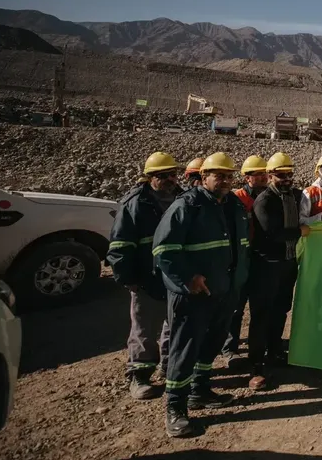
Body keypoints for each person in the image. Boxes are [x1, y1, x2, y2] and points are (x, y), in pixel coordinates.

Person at [154, 152, 250, 438]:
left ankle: (200, 390)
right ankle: (176, 407)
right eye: (218, 175)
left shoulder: (232, 204)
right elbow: (163, 250)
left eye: (229, 175)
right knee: (184, 349)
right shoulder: (188, 205)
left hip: (225, 291)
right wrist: (187, 279)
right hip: (193, 296)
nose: (225, 180)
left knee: (212, 343)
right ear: (203, 177)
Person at [107, 151, 180, 399]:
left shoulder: (181, 199)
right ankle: (139, 376)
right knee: (145, 329)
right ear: (150, 177)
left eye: (173, 174)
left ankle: (169, 369)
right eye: (164, 175)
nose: (171, 179)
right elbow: (120, 246)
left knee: (174, 326)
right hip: (147, 279)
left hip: (175, 277)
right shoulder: (135, 203)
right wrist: (129, 279)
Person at [246, 152, 307, 391]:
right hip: (266, 266)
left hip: (287, 263)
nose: (287, 179)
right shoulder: (264, 201)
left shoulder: (293, 197)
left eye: (289, 174)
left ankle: (274, 352)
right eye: (281, 175)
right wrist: (299, 232)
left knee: (281, 309)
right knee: (261, 315)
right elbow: (271, 233)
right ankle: (256, 367)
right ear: (270, 175)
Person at [221, 155, 269, 363]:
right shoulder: (235, 199)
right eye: (257, 174)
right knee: (235, 306)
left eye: (264, 173)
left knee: (260, 306)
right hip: (240, 259)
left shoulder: (270, 197)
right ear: (247, 177)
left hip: (261, 259)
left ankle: (257, 346)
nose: (262, 177)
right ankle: (229, 348)